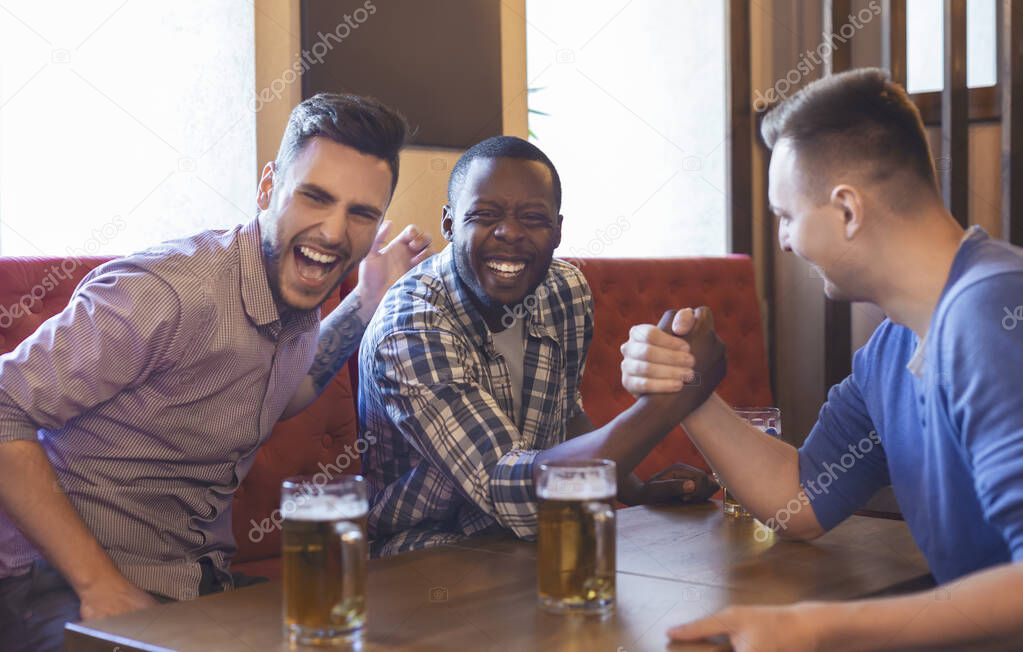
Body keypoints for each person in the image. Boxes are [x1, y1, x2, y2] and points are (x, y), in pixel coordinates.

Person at [0, 93, 431, 652]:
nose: (332, 231)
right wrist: (99, 585)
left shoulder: (297, 292)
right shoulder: (168, 292)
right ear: (268, 188)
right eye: (315, 197)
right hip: (54, 587)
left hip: (195, 584)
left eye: (361, 213)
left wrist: (364, 302)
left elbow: (288, 392)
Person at [619, 68, 1023, 650]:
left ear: (847, 211)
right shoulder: (890, 350)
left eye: (786, 215)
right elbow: (800, 501)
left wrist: (817, 626)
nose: (782, 240)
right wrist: (689, 389)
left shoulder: (994, 313)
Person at [358, 135, 725, 556]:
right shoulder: (410, 327)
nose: (509, 233)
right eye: (484, 214)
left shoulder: (565, 291)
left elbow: (564, 417)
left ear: (557, 231)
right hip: (424, 549)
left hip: (544, 536)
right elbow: (515, 493)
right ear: (448, 224)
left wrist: (638, 493)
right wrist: (669, 404)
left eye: (533, 218)